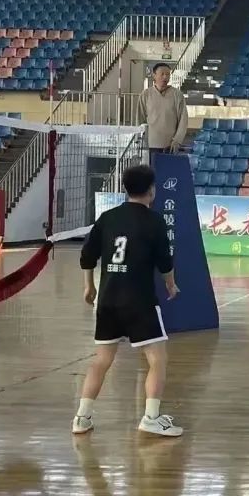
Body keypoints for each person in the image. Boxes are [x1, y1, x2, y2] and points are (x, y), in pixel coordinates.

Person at [74, 164, 183, 437]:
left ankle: (82, 418)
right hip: (140, 301)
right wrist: (171, 284)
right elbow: (165, 262)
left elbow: (87, 256)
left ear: (125, 188)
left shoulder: (107, 218)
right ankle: (151, 418)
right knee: (157, 359)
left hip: (108, 300)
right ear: (152, 191)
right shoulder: (154, 221)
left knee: (101, 360)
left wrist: (89, 286)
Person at [137, 63, 188, 155]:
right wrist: (140, 139)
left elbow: (183, 120)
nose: (165, 77)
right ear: (154, 75)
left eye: (168, 74)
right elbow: (140, 119)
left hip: (170, 145)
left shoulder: (177, 95)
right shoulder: (145, 94)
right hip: (150, 144)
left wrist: (177, 140)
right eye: (162, 74)